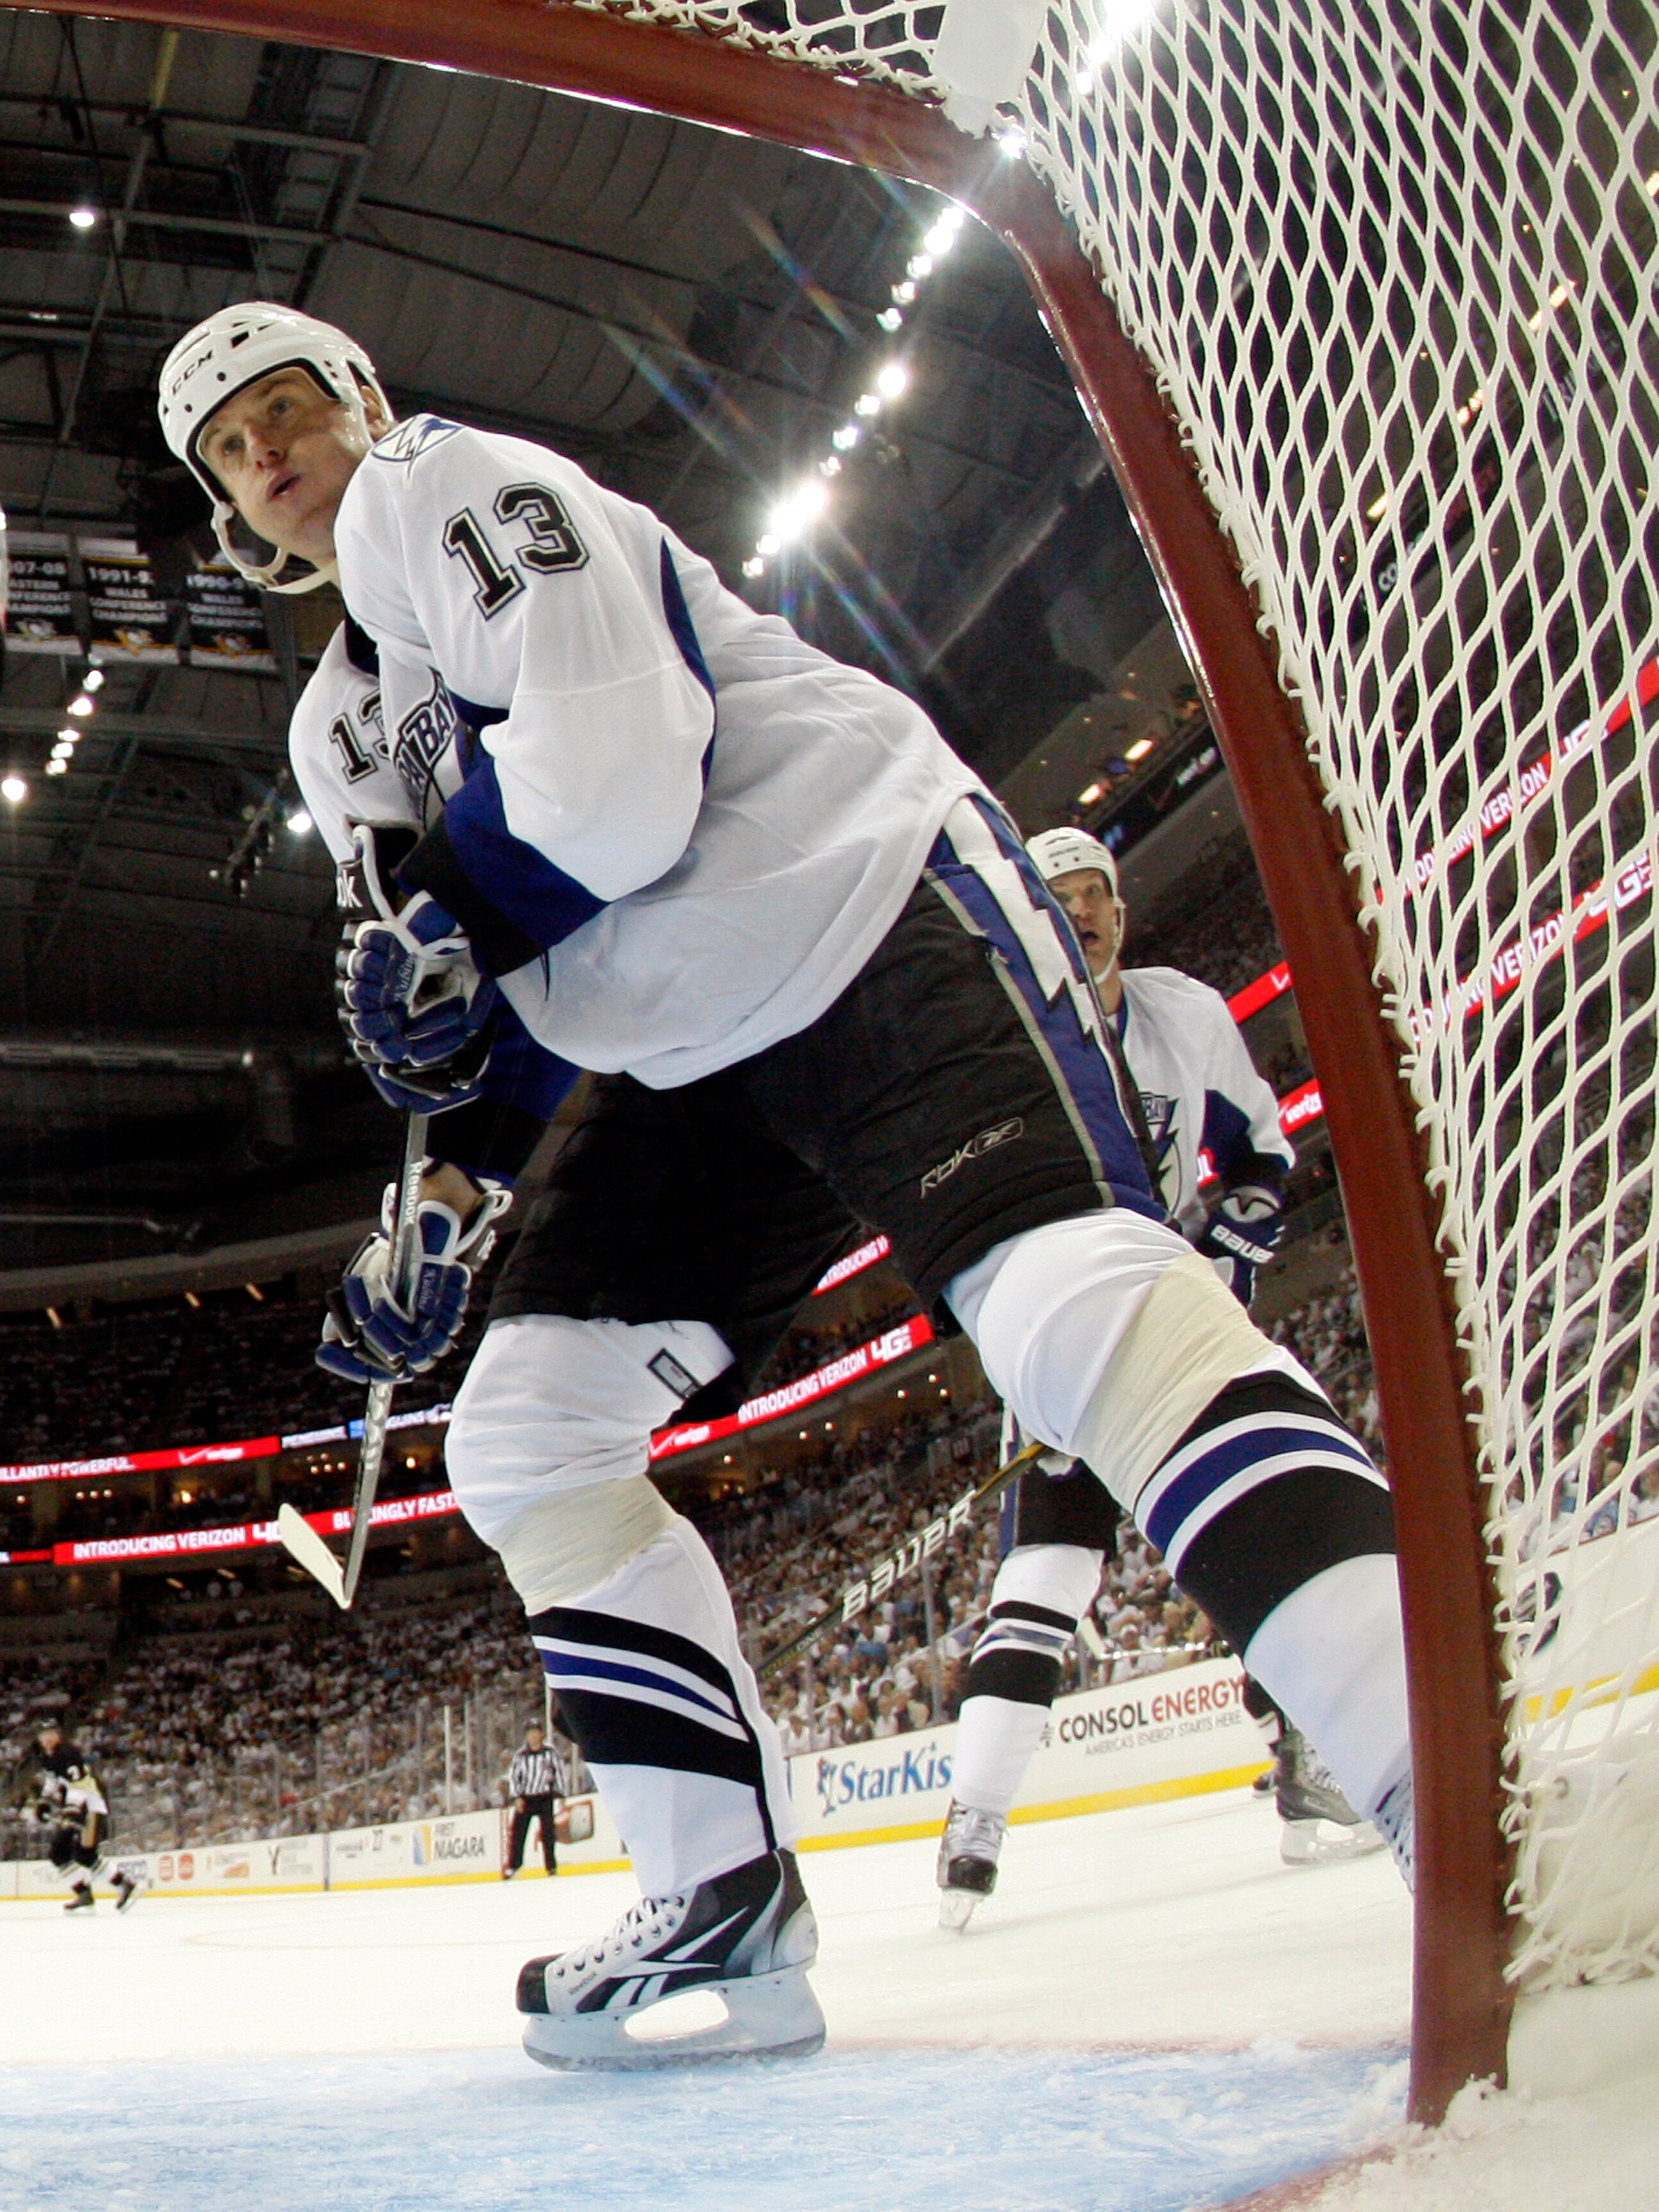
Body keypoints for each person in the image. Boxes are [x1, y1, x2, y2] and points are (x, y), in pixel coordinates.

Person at [157, 305, 1412, 2071]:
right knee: (526, 1430)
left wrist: (448, 931)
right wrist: (445, 1197)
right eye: (230, 449)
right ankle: (723, 1906)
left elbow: (614, 775)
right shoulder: (345, 726)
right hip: (695, 1053)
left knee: (1065, 1310)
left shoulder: (451, 489)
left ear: (364, 399)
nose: (270, 453)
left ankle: (1436, 1741)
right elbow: (497, 993)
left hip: (867, 897)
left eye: (289, 409)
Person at [935, 828, 1377, 1928]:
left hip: (1174, 1307)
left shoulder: (1185, 1014)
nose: (1083, 912)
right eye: (1060, 897)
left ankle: (1312, 1748)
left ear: (1120, 913)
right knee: (1047, 1576)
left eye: (1098, 896)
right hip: (1071, 1321)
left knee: (1280, 1518)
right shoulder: (1003, 1035)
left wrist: (1229, 1248)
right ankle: (974, 1819)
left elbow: (1262, 1157)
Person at [28, 1719, 137, 1914]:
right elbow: (54, 1781)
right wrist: (43, 1802)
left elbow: (82, 1784)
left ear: (58, 1735)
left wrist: (72, 1808)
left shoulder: (68, 1753)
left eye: (51, 1733)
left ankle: (124, 1884)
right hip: (75, 1807)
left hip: (90, 1807)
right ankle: (84, 1894)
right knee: (59, 1853)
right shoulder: (47, 1756)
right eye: (43, 1735)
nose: (47, 1738)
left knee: (85, 1854)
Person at [504, 1722, 566, 1879]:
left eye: (536, 1732)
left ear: (542, 1734)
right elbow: (514, 1777)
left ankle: (551, 1866)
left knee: (548, 1834)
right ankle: (514, 1865)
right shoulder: (520, 1756)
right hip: (526, 1798)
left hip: (545, 1797)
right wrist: (517, 1797)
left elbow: (559, 1772)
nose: (533, 1736)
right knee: (518, 1833)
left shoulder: (550, 1753)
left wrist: (561, 1795)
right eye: (530, 1733)